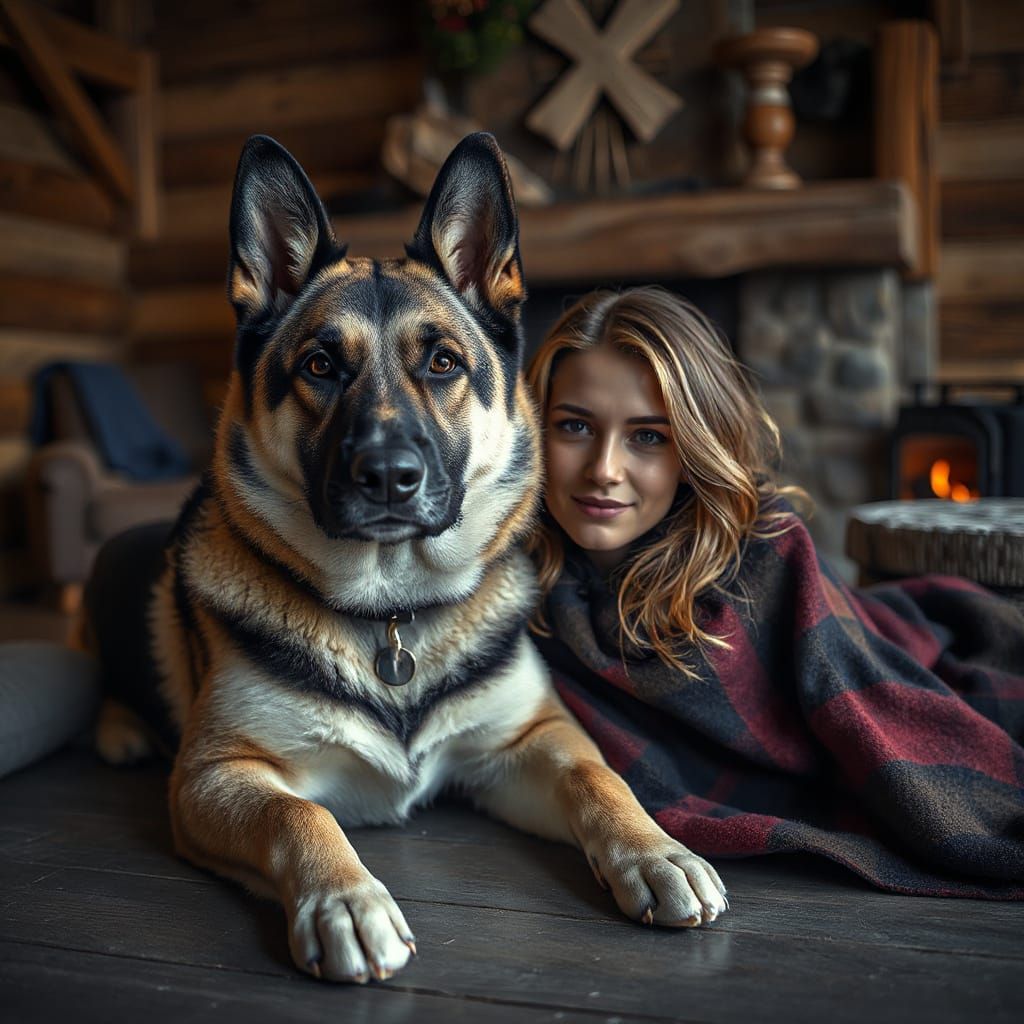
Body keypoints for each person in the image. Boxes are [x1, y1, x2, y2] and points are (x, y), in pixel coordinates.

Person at [525, 285, 1024, 899]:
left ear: (694, 448)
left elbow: (867, 709)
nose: (604, 467)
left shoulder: (766, 555)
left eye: (648, 436)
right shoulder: (510, 590)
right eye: (575, 426)